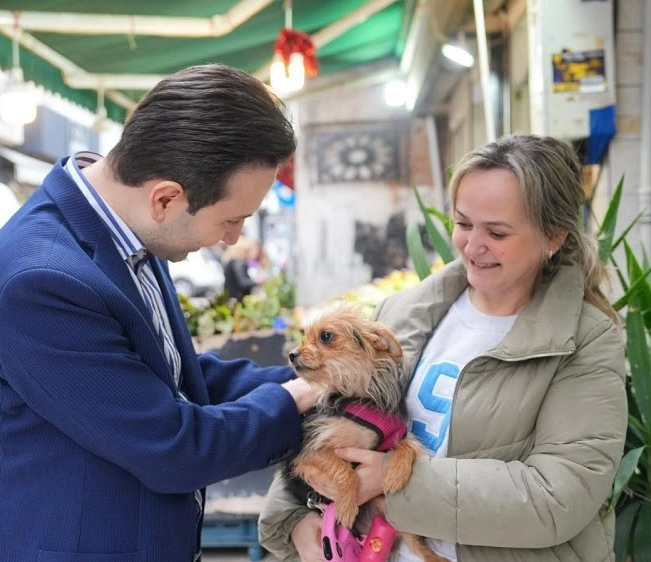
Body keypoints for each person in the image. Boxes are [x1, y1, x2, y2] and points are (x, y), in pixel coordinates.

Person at [0, 63, 319, 562]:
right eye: (231, 219)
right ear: (166, 199)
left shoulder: (127, 234)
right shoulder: (41, 282)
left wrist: (321, 382)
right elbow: (173, 445)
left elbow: (170, 375)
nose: (233, 238)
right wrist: (300, 397)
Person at [259, 135, 628, 561]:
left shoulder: (585, 341)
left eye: (498, 232)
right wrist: (297, 524)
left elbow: (558, 496)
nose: (473, 245)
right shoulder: (402, 313)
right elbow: (325, 423)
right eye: (463, 223)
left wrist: (395, 483)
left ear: (553, 237)